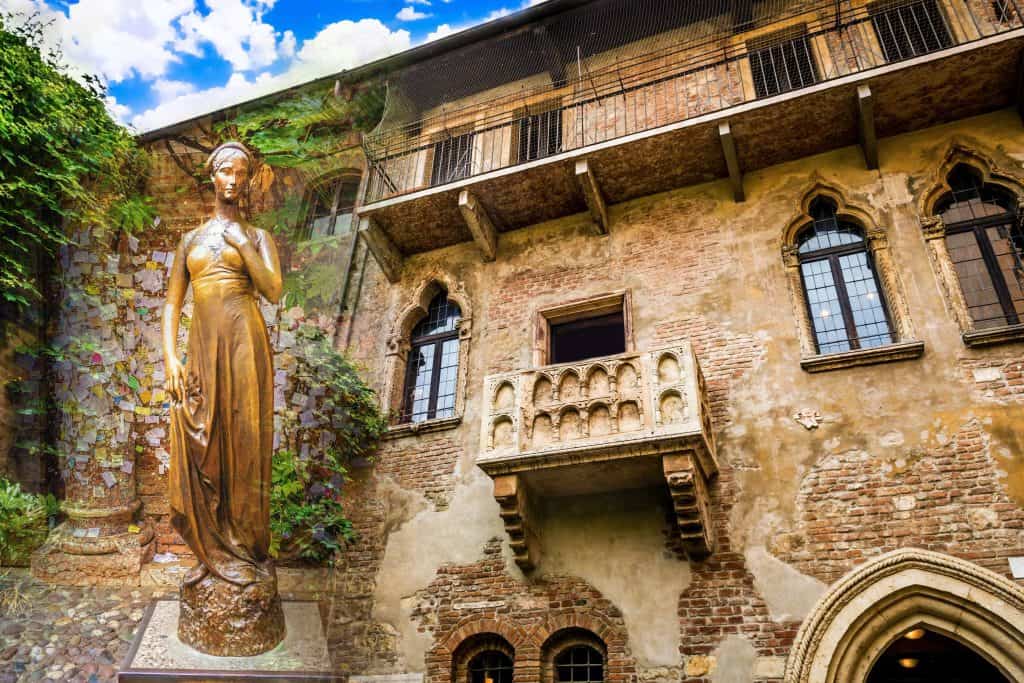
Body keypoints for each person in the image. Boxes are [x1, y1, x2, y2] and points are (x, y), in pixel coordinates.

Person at [162, 141, 283, 590]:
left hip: (244, 343)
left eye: (242, 174)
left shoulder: (257, 237)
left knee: (244, 441)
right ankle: (209, 548)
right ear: (212, 176)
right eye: (226, 172)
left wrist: (242, 247)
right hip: (202, 347)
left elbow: (272, 290)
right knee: (200, 438)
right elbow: (173, 304)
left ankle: (244, 547)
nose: (234, 181)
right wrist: (171, 355)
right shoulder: (189, 241)